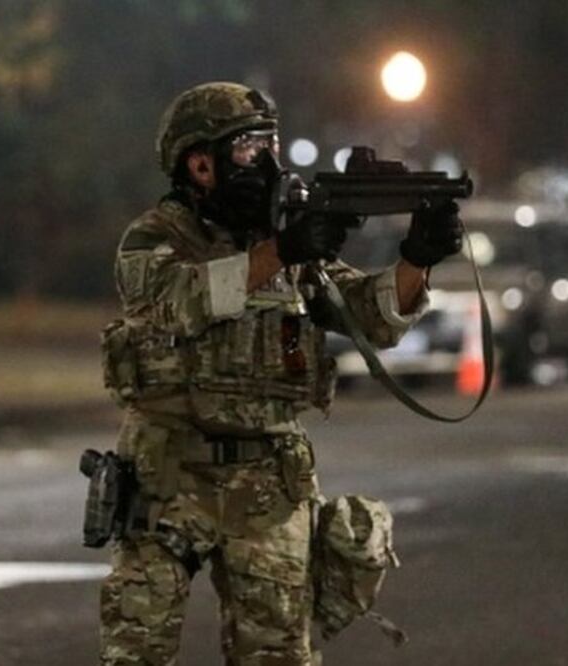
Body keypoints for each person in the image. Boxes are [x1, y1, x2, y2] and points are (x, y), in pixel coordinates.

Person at [97, 81, 463, 665]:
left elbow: (371, 315)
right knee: (136, 647)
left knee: (278, 655)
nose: (267, 162)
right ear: (200, 164)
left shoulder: (287, 245)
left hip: (268, 480)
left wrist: (416, 260)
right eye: (247, 148)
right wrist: (281, 252)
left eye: (271, 143)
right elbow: (177, 298)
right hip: (167, 475)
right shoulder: (156, 237)